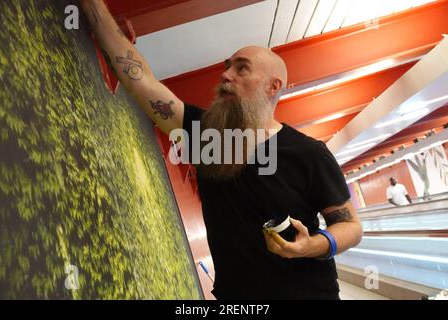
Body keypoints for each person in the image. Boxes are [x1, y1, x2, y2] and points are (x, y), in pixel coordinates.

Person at [81, 0, 363, 299]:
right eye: (228, 67)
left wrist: (315, 245)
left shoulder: (309, 154)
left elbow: (350, 226)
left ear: (272, 86)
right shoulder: (205, 133)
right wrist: (95, 8)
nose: (226, 75)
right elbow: (141, 80)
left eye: (242, 69)